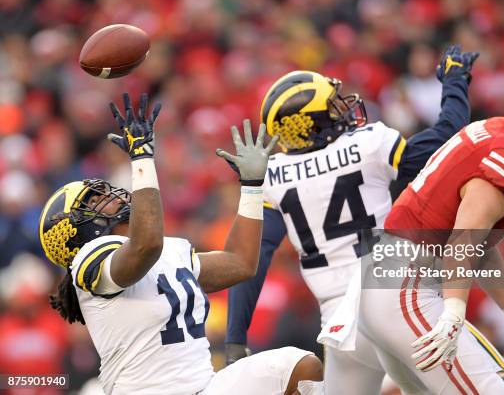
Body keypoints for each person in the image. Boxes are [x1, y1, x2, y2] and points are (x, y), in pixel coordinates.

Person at [225, 45, 482, 394]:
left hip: (340, 329)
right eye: (331, 105)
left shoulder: (273, 176)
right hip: (395, 301)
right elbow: (447, 138)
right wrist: (455, 82)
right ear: (311, 123)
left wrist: (234, 340)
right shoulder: (369, 144)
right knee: (501, 386)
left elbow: (249, 262)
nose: (342, 107)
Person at [39, 93, 323, 395]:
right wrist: (142, 157)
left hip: (204, 387)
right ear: (74, 231)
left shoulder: (168, 249)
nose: (110, 195)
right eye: (94, 200)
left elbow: (240, 263)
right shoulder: (89, 258)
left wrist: (252, 188)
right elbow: (145, 246)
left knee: (300, 367)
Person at [354, 74, 504, 394]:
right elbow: (464, 240)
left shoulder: (497, 132)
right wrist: (454, 313)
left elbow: (476, 244)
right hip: (406, 285)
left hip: (388, 279)